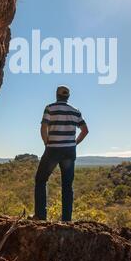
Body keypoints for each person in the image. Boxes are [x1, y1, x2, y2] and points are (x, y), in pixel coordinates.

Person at [34, 85, 88, 221]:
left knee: (40, 180)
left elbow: (43, 127)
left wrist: (47, 143)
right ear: (68, 97)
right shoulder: (75, 111)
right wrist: (74, 143)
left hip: (53, 149)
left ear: (56, 95)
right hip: (69, 151)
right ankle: (66, 220)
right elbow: (85, 130)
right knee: (67, 186)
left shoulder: (50, 108)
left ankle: (40, 216)